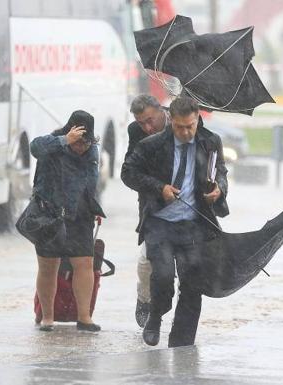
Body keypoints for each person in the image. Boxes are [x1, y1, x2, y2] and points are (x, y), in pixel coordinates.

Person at [121, 96, 229, 347]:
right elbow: (128, 173)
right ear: (172, 123)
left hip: (194, 222)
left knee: (192, 285)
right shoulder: (152, 145)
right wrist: (160, 188)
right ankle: (155, 317)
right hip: (160, 222)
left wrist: (219, 189)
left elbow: (220, 171)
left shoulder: (210, 142)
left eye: (190, 126)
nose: (185, 132)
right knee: (162, 278)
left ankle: (182, 343)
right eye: (179, 127)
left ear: (197, 120)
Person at [29, 110, 105, 332]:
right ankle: (47, 317)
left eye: (86, 142)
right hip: (49, 213)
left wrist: (94, 206)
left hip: (80, 214)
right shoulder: (52, 144)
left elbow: (92, 181)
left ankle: (84, 317)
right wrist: (64, 140)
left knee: (84, 264)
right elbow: (35, 147)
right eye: (78, 142)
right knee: (48, 266)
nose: (81, 147)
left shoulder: (92, 151)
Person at [125, 94, 169, 328]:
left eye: (150, 120)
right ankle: (145, 298)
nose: (147, 127)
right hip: (153, 203)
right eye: (141, 123)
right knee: (147, 262)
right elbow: (130, 172)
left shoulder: (184, 122)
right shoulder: (137, 132)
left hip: (187, 205)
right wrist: (158, 187)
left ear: (161, 111)